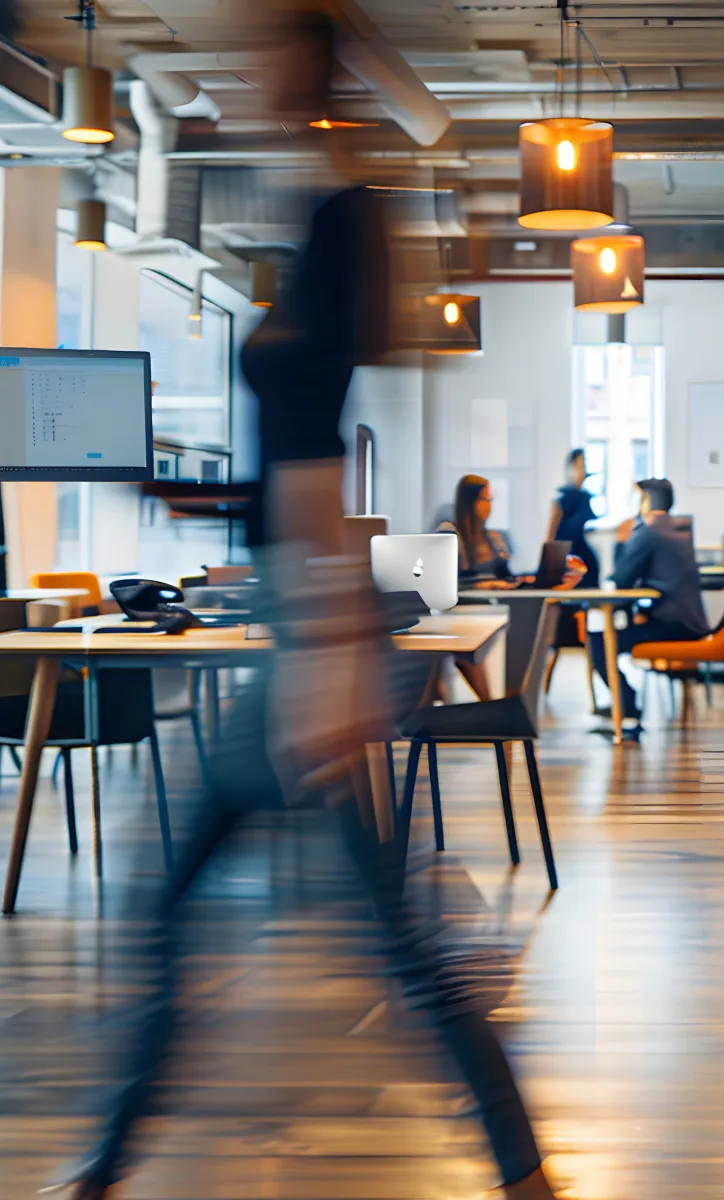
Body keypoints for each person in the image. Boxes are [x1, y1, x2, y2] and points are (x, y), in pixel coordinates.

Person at [41, 12, 561, 1200]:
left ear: (312, 69)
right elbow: (289, 461)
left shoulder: (346, 217)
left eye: (267, 53)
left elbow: (319, 459)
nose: (243, 72)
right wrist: (184, 492)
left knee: (381, 939)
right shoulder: (306, 215)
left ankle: (109, 1168)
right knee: (244, 918)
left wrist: (329, 661)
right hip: (300, 620)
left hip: (316, 636)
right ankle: (110, 1165)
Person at [592, 477, 710, 736]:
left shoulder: (649, 530)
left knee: (597, 644)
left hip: (670, 625)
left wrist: (622, 542)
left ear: (646, 500)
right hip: (690, 622)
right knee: (614, 638)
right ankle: (626, 704)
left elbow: (621, 579)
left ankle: (627, 707)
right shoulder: (680, 527)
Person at [440, 473, 517, 585]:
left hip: (495, 598)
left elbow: (505, 575)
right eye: (483, 499)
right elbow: (445, 581)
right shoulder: (450, 532)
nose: (488, 505)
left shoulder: (495, 537)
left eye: (490, 499)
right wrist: (479, 586)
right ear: (469, 501)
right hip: (465, 600)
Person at [547, 449, 600, 588]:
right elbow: (552, 531)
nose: (583, 471)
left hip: (580, 551)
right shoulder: (564, 497)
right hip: (565, 552)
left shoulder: (584, 496)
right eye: (579, 466)